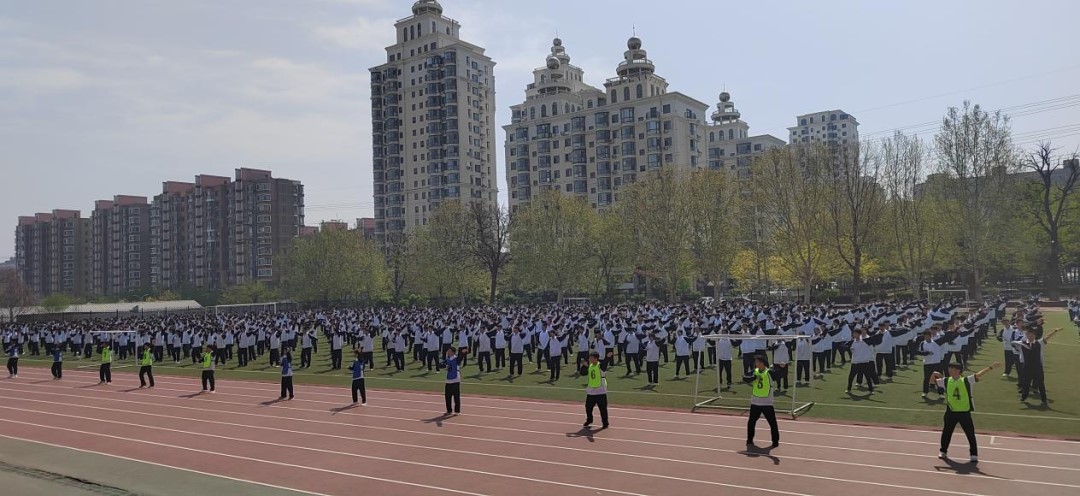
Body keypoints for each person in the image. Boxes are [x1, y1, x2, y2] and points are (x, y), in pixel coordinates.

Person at [930, 361, 999, 463]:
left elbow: (978, 374)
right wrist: (933, 374)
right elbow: (932, 382)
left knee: (970, 433)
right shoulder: (946, 380)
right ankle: (943, 451)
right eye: (949, 369)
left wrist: (991, 367)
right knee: (946, 433)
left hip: (964, 412)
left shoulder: (967, 380)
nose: (950, 371)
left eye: (952, 369)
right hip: (951, 411)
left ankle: (973, 454)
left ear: (958, 371)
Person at [1012, 327, 1060, 406]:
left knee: (1041, 384)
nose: (1030, 336)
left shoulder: (1039, 343)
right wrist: (1019, 345)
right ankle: (1024, 396)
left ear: (1034, 335)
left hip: (1037, 367)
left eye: (1031, 335)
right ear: (1026, 335)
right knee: (1026, 384)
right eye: (1028, 334)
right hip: (1027, 367)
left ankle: (1043, 399)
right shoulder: (1022, 343)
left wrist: (1054, 331)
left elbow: (1047, 337)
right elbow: (1013, 343)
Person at [746, 354, 782, 449]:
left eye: (757, 362)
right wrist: (751, 378)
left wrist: (782, 367)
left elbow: (779, 376)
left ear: (762, 363)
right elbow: (744, 377)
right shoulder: (755, 371)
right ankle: (749, 440)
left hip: (767, 402)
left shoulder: (769, 372)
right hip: (755, 402)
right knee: (751, 422)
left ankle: (775, 441)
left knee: (772, 423)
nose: (755, 363)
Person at [578, 351, 612, 429]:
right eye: (589, 358)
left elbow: (605, 364)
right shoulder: (590, 366)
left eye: (591, 358)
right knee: (588, 407)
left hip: (601, 391)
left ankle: (605, 423)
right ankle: (589, 419)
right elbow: (582, 373)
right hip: (591, 392)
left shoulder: (600, 366)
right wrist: (584, 366)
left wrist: (607, 357)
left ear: (596, 358)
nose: (590, 359)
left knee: (603, 409)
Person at [442, 346, 466, 415]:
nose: (448, 352)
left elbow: (461, 356)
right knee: (447, 396)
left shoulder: (456, 359)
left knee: (456, 396)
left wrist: (463, 352)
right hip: (448, 379)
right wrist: (444, 365)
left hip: (455, 379)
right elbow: (440, 364)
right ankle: (449, 410)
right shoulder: (447, 359)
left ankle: (457, 411)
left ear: (453, 352)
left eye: (449, 351)